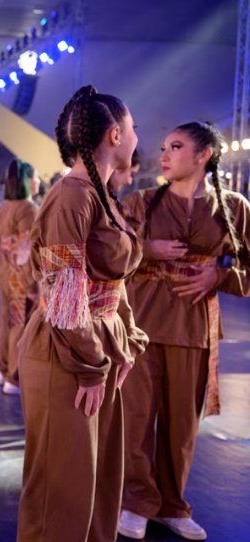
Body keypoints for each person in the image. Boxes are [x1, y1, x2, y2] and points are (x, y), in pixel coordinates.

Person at [17, 86, 148, 542]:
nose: (137, 135)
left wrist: (125, 341)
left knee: (98, 485)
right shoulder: (72, 195)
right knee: (63, 495)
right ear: (115, 135)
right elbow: (65, 293)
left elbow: (113, 282)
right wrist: (90, 365)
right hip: (67, 353)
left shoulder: (100, 193)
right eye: (133, 127)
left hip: (99, 347)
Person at [117, 122, 250, 541]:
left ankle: (172, 506)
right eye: (163, 147)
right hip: (140, 327)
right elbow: (108, 254)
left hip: (194, 330)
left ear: (203, 155)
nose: (164, 155)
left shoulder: (234, 208)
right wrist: (146, 249)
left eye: (175, 147)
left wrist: (220, 277)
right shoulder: (139, 203)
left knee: (182, 427)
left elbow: (247, 267)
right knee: (137, 419)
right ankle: (136, 501)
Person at [0, 159, 40, 395]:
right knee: (19, 323)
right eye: (35, 176)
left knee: (5, 321)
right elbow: (27, 248)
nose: (38, 181)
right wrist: (32, 281)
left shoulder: (3, 208)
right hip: (19, 274)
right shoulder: (28, 209)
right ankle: (14, 376)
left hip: (2, 271)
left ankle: (2, 369)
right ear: (27, 181)